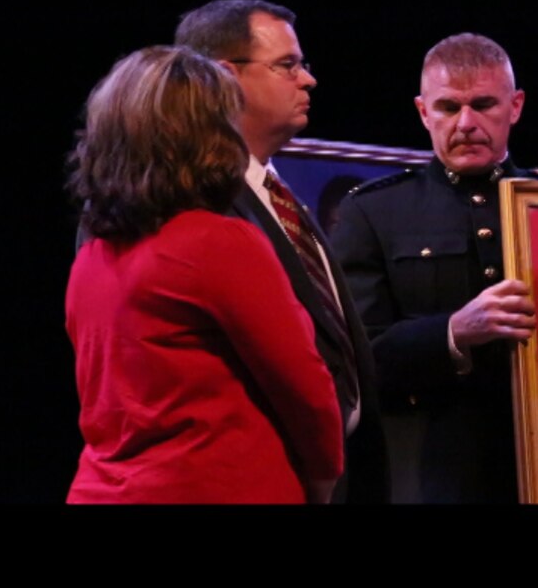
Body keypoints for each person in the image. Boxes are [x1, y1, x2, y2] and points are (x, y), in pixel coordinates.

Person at [64, 45, 343, 503]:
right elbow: (306, 389)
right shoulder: (220, 243)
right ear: (209, 134)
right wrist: (323, 477)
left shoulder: (91, 258)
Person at [173, 0, 389, 503]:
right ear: (225, 78)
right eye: (287, 65)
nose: (308, 79)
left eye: (303, 64)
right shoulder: (199, 207)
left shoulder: (278, 193)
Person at [331, 32, 538, 503]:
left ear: (516, 105)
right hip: (434, 467)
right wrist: (452, 331)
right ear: (423, 112)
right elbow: (353, 357)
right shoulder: (374, 212)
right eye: (449, 107)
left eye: (484, 104)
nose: (466, 123)